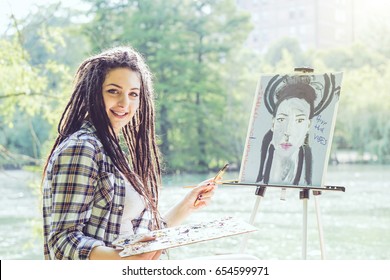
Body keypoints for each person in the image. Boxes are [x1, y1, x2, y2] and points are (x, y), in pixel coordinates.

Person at [42, 46, 218, 260]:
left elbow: (142, 237)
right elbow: (62, 241)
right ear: (94, 93)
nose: (125, 103)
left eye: (133, 94)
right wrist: (123, 259)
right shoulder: (82, 148)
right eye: (113, 91)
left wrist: (187, 204)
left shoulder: (114, 151)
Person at [256, 77, 316, 185]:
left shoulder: (308, 175)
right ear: (273, 123)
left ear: (308, 126)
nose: (288, 132)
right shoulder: (258, 171)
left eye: (299, 120)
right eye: (281, 119)